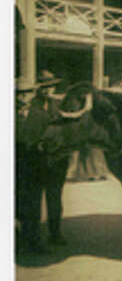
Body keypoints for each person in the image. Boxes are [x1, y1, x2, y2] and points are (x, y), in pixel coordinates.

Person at [15, 70, 69, 254]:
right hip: (28, 165)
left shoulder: (59, 106)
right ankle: (27, 236)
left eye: (50, 86)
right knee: (28, 202)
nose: (48, 90)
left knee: (54, 198)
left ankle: (55, 233)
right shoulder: (30, 107)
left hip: (54, 163)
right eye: (44, 87)